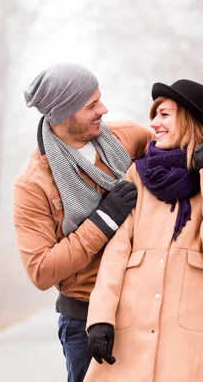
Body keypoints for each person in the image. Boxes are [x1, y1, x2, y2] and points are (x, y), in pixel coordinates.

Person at [84, 79, 203, 382]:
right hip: (130, 329)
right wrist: (100, 318)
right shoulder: (138, 173)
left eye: (164, 115)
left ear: (188, 121)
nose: (154, 123)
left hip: (187, 338)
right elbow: (116, 253)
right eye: (154, 114)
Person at [12, 63, 154, 382]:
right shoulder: (34, 184)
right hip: (85, 322)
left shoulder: (126, 137)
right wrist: (103, 220)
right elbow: (41, 270)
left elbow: (182, 149)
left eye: (99, 99)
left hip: (146, 305)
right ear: (63, 116)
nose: (103, 110)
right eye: (91, 105)